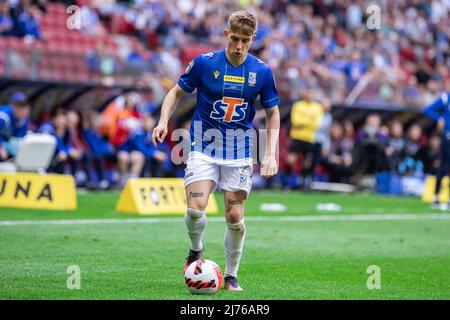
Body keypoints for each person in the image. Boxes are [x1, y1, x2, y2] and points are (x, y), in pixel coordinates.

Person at [152, 11, 280, 291]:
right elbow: (175, 92)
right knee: (195, 208)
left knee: (234, 217)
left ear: (253, 39)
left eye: (245, 40)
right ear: (226, 34)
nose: (238, 46)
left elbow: (273, 113)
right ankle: (196, 250)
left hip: (239, 150)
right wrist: (163, 121)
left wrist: (270, 153)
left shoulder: (261, 71)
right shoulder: (204, 63)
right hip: (202, 145)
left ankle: (231, 274)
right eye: (234, 38)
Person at [286, 89, 324, 190]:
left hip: (309, 139)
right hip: (296, 136)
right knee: (291, 160)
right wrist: (309, 120)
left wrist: (302, 121)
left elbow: (316, 124)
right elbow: (295, 121)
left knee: (307, 162)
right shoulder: (298, 105)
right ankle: (286, 182)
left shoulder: (318, 107)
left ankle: (303, 183)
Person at [423, 91, 450, 210]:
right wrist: (439, 119)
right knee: (444, 166)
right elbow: (428, 109)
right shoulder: (445, 98)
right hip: (448, 135)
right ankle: (436, 197)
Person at [0, 91, 31, 161]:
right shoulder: (3, 115)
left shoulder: (24, 119)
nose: (22, 108)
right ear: (13, 105)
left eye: (24, 106)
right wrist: (1, 146)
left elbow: (19, 139)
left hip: (7, 144)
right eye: (19, 105)